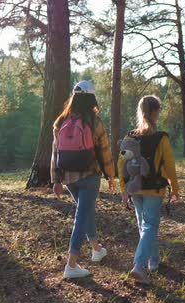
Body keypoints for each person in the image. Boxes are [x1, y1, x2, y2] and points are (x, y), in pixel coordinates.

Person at [51, 80, 116, 279]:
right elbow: (104, 151)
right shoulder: (94, 121)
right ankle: (71, 264)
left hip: (69, 176)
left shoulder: (61, 121)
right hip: (89, 175)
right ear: (91, 98)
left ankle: (97, 249)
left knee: (84, 212)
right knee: (82, 216)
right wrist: (110, 175)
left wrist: (56, 180)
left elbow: (55, 151)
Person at [118, 95, 180, 285]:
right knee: (150, 226)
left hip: (135, 188)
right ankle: (138, 265)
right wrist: (175, 188)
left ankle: (153, 262)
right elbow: (169, 165)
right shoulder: (161, 137)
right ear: (156, 112)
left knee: (144, 226)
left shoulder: (130, 137)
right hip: (154, 189)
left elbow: (121, 164)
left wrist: (124, 189)